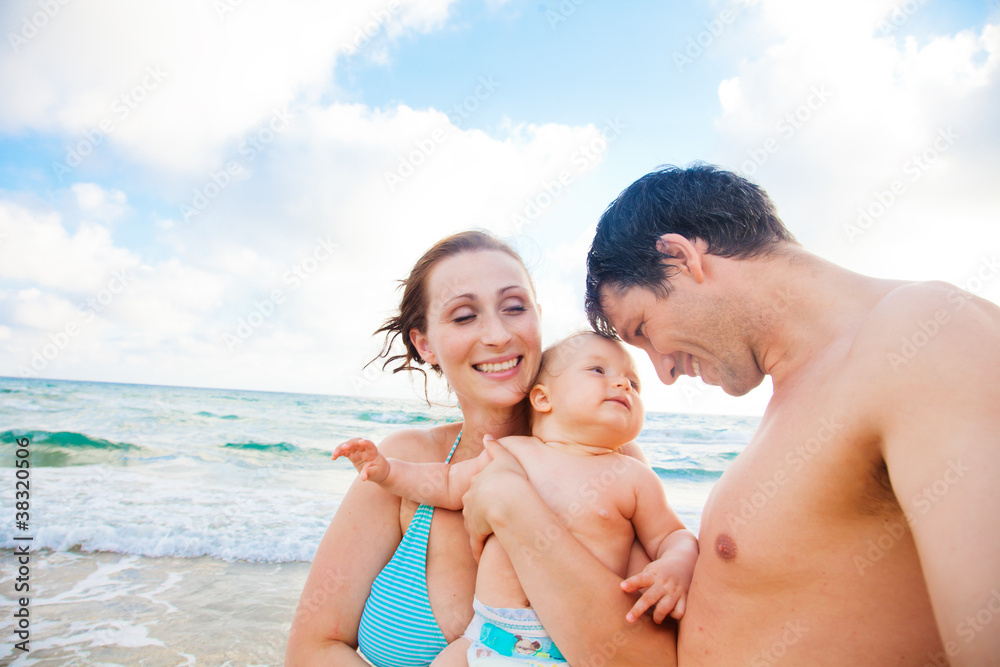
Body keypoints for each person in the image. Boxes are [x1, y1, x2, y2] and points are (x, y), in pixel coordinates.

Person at [461, 164, 1000, 665]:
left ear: (681, 258)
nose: (663, 373)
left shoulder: (926, 331)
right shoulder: (802, 392)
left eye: (643, 329)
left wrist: (512, 505)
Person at [285, 231, 666, 666]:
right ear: (425, 344)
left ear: (537, 319)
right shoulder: (405, 462)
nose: (498, 335)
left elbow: (648, 659)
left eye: (515, 308)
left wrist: (514, 506)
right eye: (464, 316)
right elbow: (312, 649)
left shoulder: (614, 463)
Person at [333, 332, 699, 666]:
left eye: (634, 383)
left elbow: (672, 535)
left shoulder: (633, 477)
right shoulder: (509, 452)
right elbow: (445, 482)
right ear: (543, 398)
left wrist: (675, 565)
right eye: (598, 370)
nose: (623, 384)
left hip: (572, 647)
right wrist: (388, 471)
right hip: (486, 638)